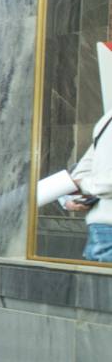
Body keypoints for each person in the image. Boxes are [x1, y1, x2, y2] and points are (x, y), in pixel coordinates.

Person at [61, 109, 112, 262]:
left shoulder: (107, 120)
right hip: (103, 230)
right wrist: (73, 193)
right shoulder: (107, 120)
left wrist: (78, 186)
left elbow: (104, 182)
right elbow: (83, 172)